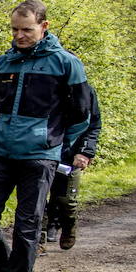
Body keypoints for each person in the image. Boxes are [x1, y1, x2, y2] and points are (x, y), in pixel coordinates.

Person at [0, 0, 94, 272]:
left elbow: (82, 115)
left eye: (26, 29)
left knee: (28, 227)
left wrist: (56, 145)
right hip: (0, 149)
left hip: (40, 156)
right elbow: (1, 104)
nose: (19, 35)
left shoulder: (66, 63)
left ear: (44, 26)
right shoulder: (4, 62)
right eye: (14, 29)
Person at [43, 90, 101, 250]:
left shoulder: (85, 90)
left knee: (66, 200)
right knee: (35, 199)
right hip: (41, 151)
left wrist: (85, 152)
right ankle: (37, 242)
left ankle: (68, 226)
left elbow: (94, 125)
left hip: (70, 153)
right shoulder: (41, 84)